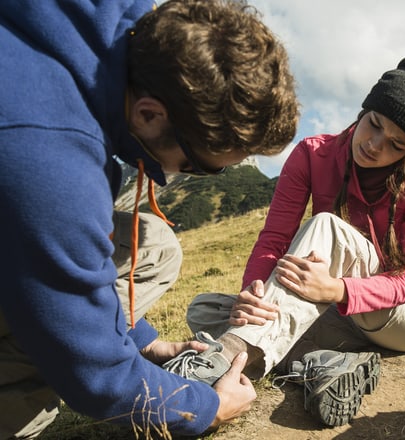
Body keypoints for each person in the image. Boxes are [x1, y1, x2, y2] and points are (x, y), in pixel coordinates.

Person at [0, 0, 298, 438]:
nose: (189, 176)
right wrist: (206, 407)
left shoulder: (121, 28)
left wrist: (148, 344)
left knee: (153, 243)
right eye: (203, 165)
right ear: (149, 114)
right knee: (28, 414)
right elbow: (95, 379)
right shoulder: (52, 163)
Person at [167, 55, 405, 427]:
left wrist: (336, 289)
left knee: (325, 226)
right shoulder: (313, 153)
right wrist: (252, 293)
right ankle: (324, 362)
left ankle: (226, 356)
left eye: (395, 143)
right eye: (374, 124)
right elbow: (274, 239)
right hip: (342, 316)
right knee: (205, 310)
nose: (375, 144)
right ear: (364, 109)